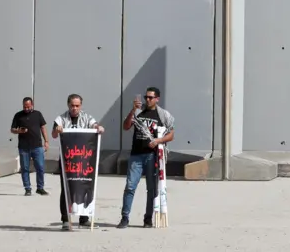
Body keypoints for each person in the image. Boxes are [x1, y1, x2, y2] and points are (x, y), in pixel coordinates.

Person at [117, 87, 175, 229]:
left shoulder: (162, 115)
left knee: (151, 188)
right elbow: (125, 126)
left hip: (152, 155)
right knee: (130, 186)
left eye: (150, 97)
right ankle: (125, 217)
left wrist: (158, 141)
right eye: (146, 97)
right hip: (136, 155)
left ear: (157, 99)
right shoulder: (138, 111)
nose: (147, 100)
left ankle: (148, 219)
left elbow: (171, 134)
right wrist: (132, 110)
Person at [52, 94, 105, 230]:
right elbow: (53, 134)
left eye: (77, 105)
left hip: (84, 161)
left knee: (85, 185)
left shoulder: (87, 117)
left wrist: (98, 128)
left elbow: (95, 125)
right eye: (72, 105)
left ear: (80, 106)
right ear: (68, 105)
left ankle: (84, 219)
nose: (74, 108)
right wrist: (56, 130)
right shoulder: (61, 118)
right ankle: (65, 219)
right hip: (67, 161)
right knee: (66, 188)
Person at [10, 97, 49, 196]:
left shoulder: (38, 114)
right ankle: (27, 189)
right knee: (25, 168)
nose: (26, 109)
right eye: (24, 107)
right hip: (24, 147)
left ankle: (40, 188)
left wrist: (46, 141)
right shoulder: (18, 115)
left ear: (32, 105)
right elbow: (12, 129)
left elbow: (43, 127)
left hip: (37, 146)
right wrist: (19, 131)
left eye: (28, 106)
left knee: (40, 167)